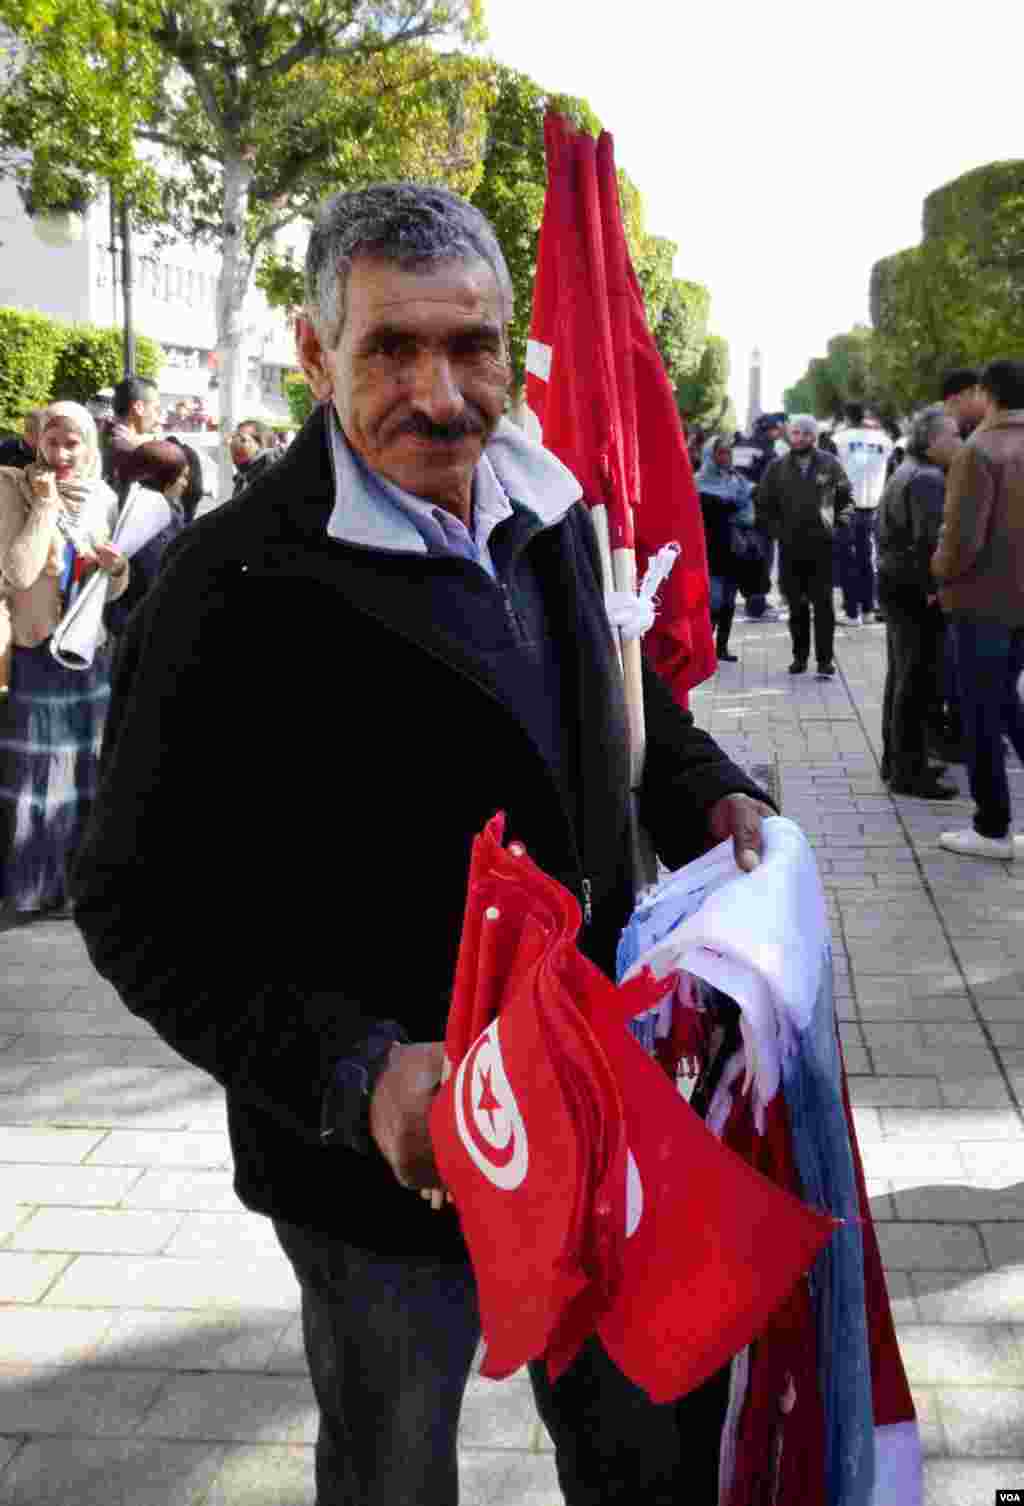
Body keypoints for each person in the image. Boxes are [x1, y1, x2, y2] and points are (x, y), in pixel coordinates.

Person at [73, 181, 777, 1506]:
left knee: (655, 1435)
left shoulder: (550, 504)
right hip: (381, 1163)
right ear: (313, 350)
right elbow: (127, 903)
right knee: (396, 1465)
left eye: (471, 346)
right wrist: (354, 1073)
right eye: (393, 347)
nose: (442, 393)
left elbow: (625, 694)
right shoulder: (224, 584)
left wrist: (715, 790)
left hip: (602, 1093)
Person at [0, 401, 129, 914]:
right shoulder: (13, 488)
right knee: (38, 777)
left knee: (84, 771)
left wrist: (116, 570)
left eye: (73, 442)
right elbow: (17, 574)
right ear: (37, 442)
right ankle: (34, 888)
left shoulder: (103, 495)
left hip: (86, 652)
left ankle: (81, 885)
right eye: (52, 441)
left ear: (89, 445)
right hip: (37, 648)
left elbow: (115, 589)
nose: (61, 454)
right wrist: (46, 507)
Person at [933, 359, 1024, 859]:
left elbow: (962, 539)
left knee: (981, 714)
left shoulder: (980, 451)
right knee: (1008, 704)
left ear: (987, 394)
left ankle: (991, 827)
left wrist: (940, 571)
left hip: (982, 602)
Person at [877, 406, 961, 799]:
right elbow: (929, 541)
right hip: (914, 590)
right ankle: (909, 772)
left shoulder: (906, 470)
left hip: (896, 584)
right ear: (931, 441)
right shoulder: (927, 478)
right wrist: (935, 587)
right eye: (953, 436)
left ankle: (896, 761)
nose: (959, 443)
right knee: (915, 681)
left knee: (902, 676)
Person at [757, 414, 853, 677]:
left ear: (815, 437)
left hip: (822, 548)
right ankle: (799, 657)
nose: (800, 438)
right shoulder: (776, 468)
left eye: (806, 433)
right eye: (796, 433)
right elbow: (764, 505)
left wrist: (839, 531)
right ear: (790, 435)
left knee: (823, 606)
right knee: (796, 606)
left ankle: (824, 660)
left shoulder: (830, 464)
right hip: (790, 549)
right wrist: (778, 532)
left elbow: (846, 500)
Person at [103, 439, 198, 640]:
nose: (185, 483)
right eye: (181, 476)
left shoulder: (136, 506)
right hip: (141, 629)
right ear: (164, 477)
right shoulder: (151, 521)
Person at [696, 434, 757, 662]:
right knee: (714, 601)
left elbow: (747, 514)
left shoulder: (738, 481)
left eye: (728, 452)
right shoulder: (697, 482)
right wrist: (724, 509)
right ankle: (704, 649)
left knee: (729, 602)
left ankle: (721, 648)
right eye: (720, 452)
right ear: (710, 456)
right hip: (709, 549)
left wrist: (725, 511)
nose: (725, 457)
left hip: (733, 548)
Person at [832, 403, 893, 624]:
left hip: (847, 506)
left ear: (847, 417)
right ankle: (868, 609)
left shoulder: (839, 440)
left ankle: (851, 612)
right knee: (867, 560)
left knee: (847, 561)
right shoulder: (884, 441)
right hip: (873, 506)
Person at [732, 412, 788, 620]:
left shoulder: (738, 446)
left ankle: (750, 601)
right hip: (760, 512)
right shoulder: (768, 452)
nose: (779, 432)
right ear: (770, 430)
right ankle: (757, 606)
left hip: (736, 509)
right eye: (777, 429)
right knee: (763, 557)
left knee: (746, 556)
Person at [106, 375, 162, 499]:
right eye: (156, 409)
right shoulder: (138, 455)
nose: (159, 419)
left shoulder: (95, 440)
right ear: (138, 407)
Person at [229, 419, 277, 497]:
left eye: (242, 439)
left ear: (262, 446)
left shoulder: (271, 477)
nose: (234, 445)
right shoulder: (241, 478)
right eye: (233, 438)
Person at [942, 367, 988, 441]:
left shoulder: (967, 430)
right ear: (955, 399)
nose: (983, 401)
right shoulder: (936, 426)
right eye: (976, 393)